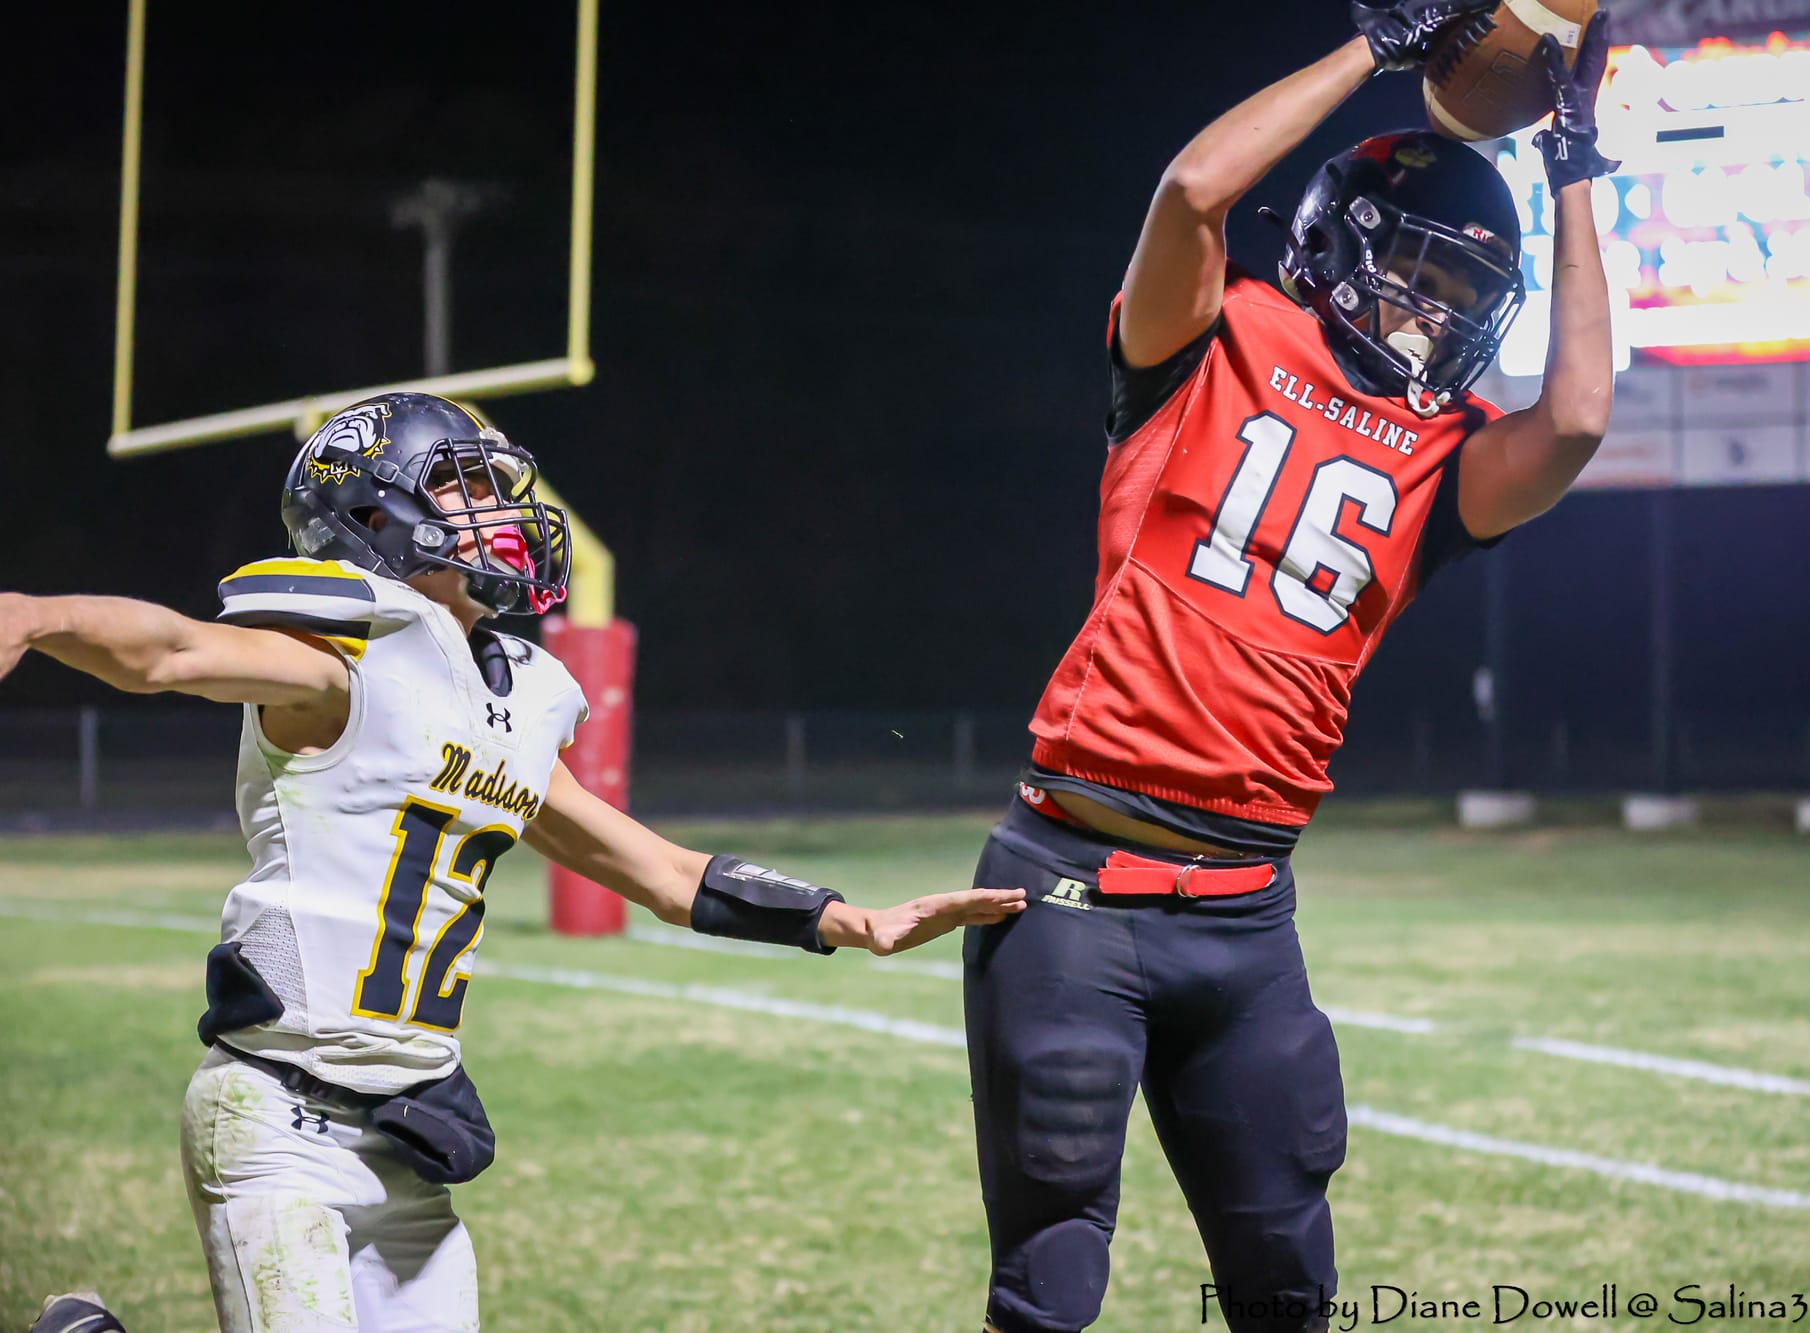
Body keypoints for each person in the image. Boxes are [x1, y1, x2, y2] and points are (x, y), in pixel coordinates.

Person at [0, 392, 1025, 1332]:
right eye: (467, 485)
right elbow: (169, 651)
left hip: (405, 1135)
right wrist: (39, 617)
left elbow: (663, 873)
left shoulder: (509, 698)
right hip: (281, 1119)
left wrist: (850, 920)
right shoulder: (338, 662)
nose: (501, 511)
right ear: (372, 514)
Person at [960, 3, 1619, 1330]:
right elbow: (1193, 192)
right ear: (1339, 241)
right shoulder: (1214, 338)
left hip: (1247, 916)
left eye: (1465, 296)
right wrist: (1378, 49)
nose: (1436, 314)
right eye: (1422, 272)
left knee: (1287, 1285)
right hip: (1072, 887)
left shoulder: (1445, 453)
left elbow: (1578, 414)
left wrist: (1571, 166)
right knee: (1051, 1284)